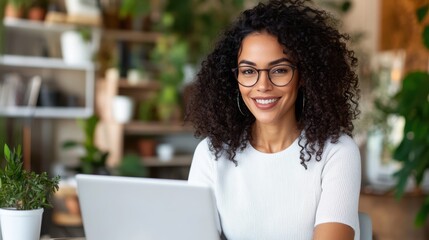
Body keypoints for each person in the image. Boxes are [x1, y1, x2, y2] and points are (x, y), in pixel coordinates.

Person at [186, 0, 361, 239]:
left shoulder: (336, 151)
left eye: (279, 70)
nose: (262, 86)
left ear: (303, 76)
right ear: (235, 79)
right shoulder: (211, 154)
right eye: (248, 71)